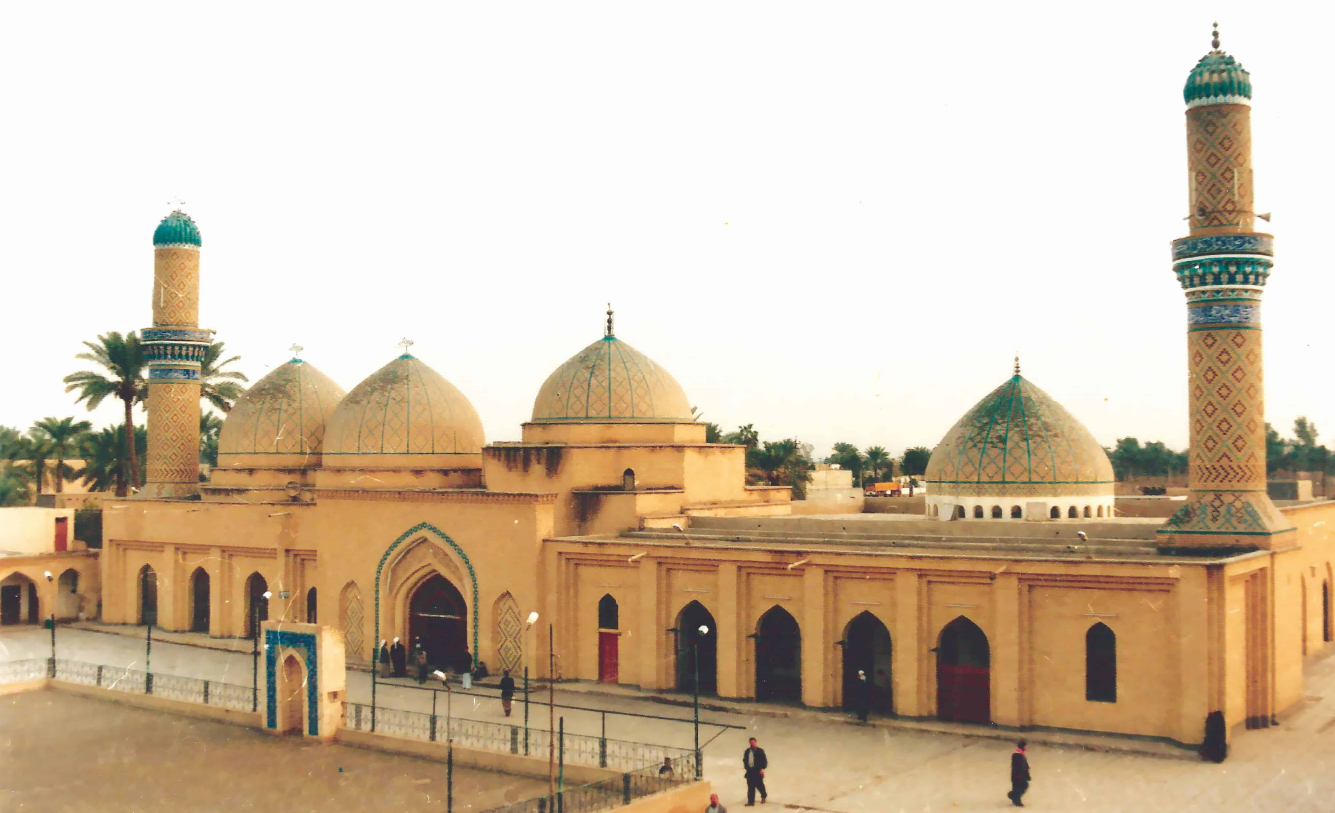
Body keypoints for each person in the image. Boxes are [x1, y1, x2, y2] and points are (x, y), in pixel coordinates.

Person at [742, 736, 767, 806]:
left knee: (759, 785)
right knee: (750, 787)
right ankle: (751, 802)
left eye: (753, 742)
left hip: (758, 771)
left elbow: (764, 760)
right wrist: (746, 767)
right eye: (751, 742)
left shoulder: (760, 751)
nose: (752, 744)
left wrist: (762, 769)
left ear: (755, 742)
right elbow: (745, 760)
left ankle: (763, 796)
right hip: (750, 772)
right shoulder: (747, 751)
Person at [1008, 740, 1030, 807]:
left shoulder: (1021, 754)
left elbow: (1025, 766)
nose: (1025, 748)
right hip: (1018, 775)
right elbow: (1017, 766)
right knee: (1019, 787)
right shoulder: (1016, 755)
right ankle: (1016, 800)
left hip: (1021, 775)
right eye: (1024, 746)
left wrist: (1027, 775)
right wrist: (1019, 775)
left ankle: (1014, 796)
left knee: (1023, 786)